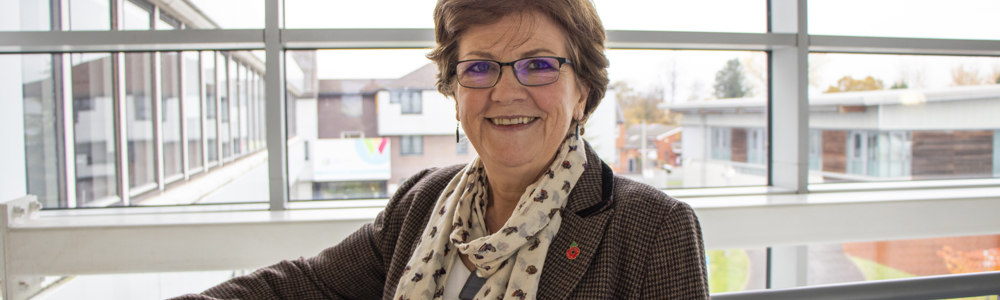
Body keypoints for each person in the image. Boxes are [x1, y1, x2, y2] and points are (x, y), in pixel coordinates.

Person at [171, 0, 708, 299]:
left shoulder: (653, 231)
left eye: (539, 64)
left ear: (582, 91)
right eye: (478, 68)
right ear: (454, 94)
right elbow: (307, 286)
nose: (505, 91)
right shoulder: (423, 200)